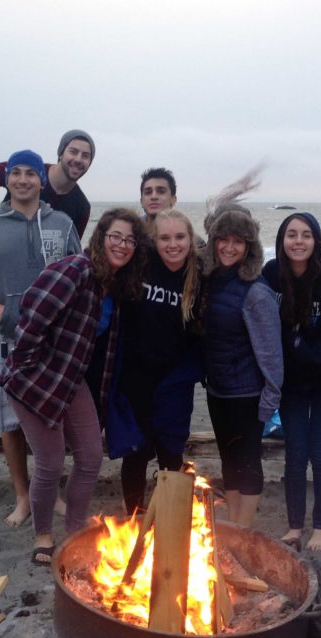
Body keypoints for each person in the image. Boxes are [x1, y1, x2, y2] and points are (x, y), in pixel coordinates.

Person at [0, 208, 149, 565]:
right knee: (50, 464)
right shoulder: (76, 270)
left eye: (130, 240)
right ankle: (44, 536)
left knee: (90, 458)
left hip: (71, 379)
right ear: (101, 237)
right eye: (116, 236)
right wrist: (32, 369)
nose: (123, 245)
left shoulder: (112, 284)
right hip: (33, 380)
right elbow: (30, 318)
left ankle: (76, 529)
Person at [0, 149, 81, 528]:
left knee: (49, 419)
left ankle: (51, 492)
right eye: (16, 173)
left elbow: (79, 273)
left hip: (52, 346)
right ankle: (23, 496)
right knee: (8, 425)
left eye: (31, 173)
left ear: (43, 180)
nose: (24, 180)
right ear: (7, 179)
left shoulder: (62, 224)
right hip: (5, 342)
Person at [0, 130, 95, 455]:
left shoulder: (80, 206)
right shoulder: (29, 170)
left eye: (85, 156)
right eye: (73, 151)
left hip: (39, 302)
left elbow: (68, 259)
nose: (78, 159)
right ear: (60, 155)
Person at [262, 213, 321, 552]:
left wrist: (298, 344)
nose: (298, 241)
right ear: (282, 240)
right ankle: (295, 526)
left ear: (316, 242)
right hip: (291, 384)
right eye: (291, 234)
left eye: (306, 235)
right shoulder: (271, 275)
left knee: (320, 451)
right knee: (295, 453)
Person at [108, 208, 204, 514]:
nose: (172, 244)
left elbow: (201, 339)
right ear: (154, 240)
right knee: (135, 454)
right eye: (165, 238)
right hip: (136, 381)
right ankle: (134, 520)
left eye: (179, 237)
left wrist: (183, 376)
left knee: (171, 454)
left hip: (176, 383)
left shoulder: (199, 277)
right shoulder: (140, 267)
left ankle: (171, 523)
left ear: (191, 240)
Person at [202, 205, 282, 527]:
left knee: (247, 463)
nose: (229, 247)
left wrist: (270, 401)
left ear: (249, 246)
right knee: (228, 462)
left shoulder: (256, 292)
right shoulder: (213, 280)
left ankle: (243, 529)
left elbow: (272, 354)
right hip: (218, 391)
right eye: (223, 239)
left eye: (239, 240)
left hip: (247, 395)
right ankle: (233, 524)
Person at [138, 167, 177, 234]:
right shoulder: (130, 233)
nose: (154, 197)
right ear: (141, 201)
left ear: (173, 200)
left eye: (161, 191)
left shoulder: (188, 239)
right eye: (148, 192)